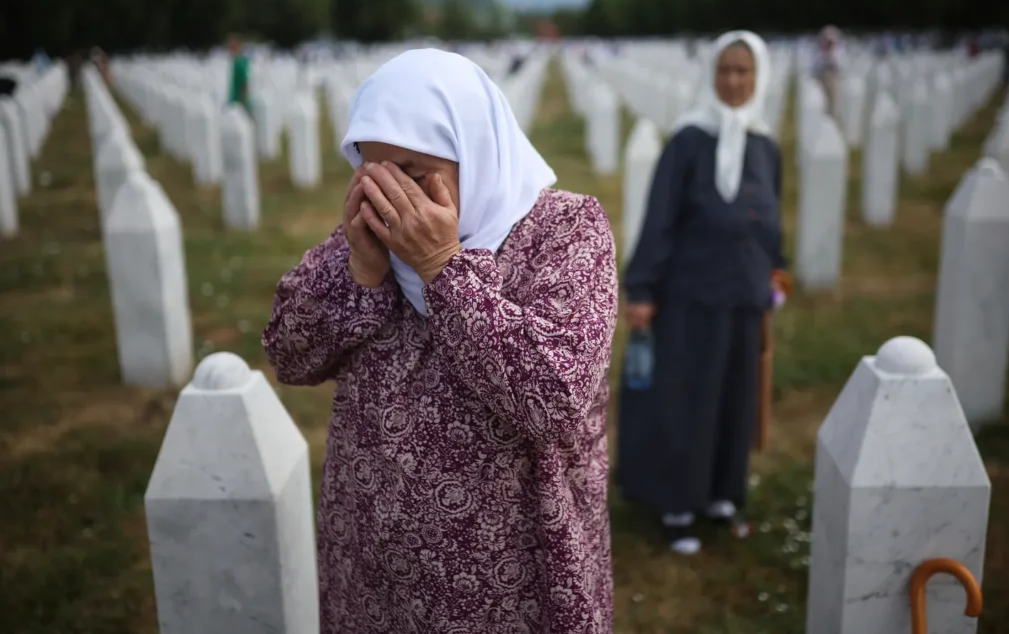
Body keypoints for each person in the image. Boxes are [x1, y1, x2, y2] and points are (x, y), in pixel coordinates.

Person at [262, 48, 618, 633]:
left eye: (413, 171)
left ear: (472, 152)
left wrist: (442, 268)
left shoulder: (565, 231)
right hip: (375, 572)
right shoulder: (366, 240)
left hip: (512, 579)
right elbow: (287, 355)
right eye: (374, 171)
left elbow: (554, 395)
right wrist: (360, 271)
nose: (392, 197)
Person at [617, 31, 790, 556]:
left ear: (758, 79)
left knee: (734, 396)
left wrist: (776, 270)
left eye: (745, 72)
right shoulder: (689, 141)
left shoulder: (765, 145)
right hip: (689, 293)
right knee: (686, 398)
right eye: (726, 71)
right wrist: (642, 287)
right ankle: (675, 501)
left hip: (743, 294)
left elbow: (770, 219)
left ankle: (719, 490)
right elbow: (661, 219)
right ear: (711, 76)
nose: (735, 82)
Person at [813, 25, 843, 117]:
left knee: (834, 100)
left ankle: (832, 116)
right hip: (822, 80)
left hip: (833, 79)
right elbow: (816, 68)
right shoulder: (819, 53)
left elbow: (839, 67)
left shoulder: (837, 52)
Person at [226, 34, 250, 113]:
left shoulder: (239, 63)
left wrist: (243, 101)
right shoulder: (234, 62)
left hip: (238, 100)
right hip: (233, 99)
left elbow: (245, 82)